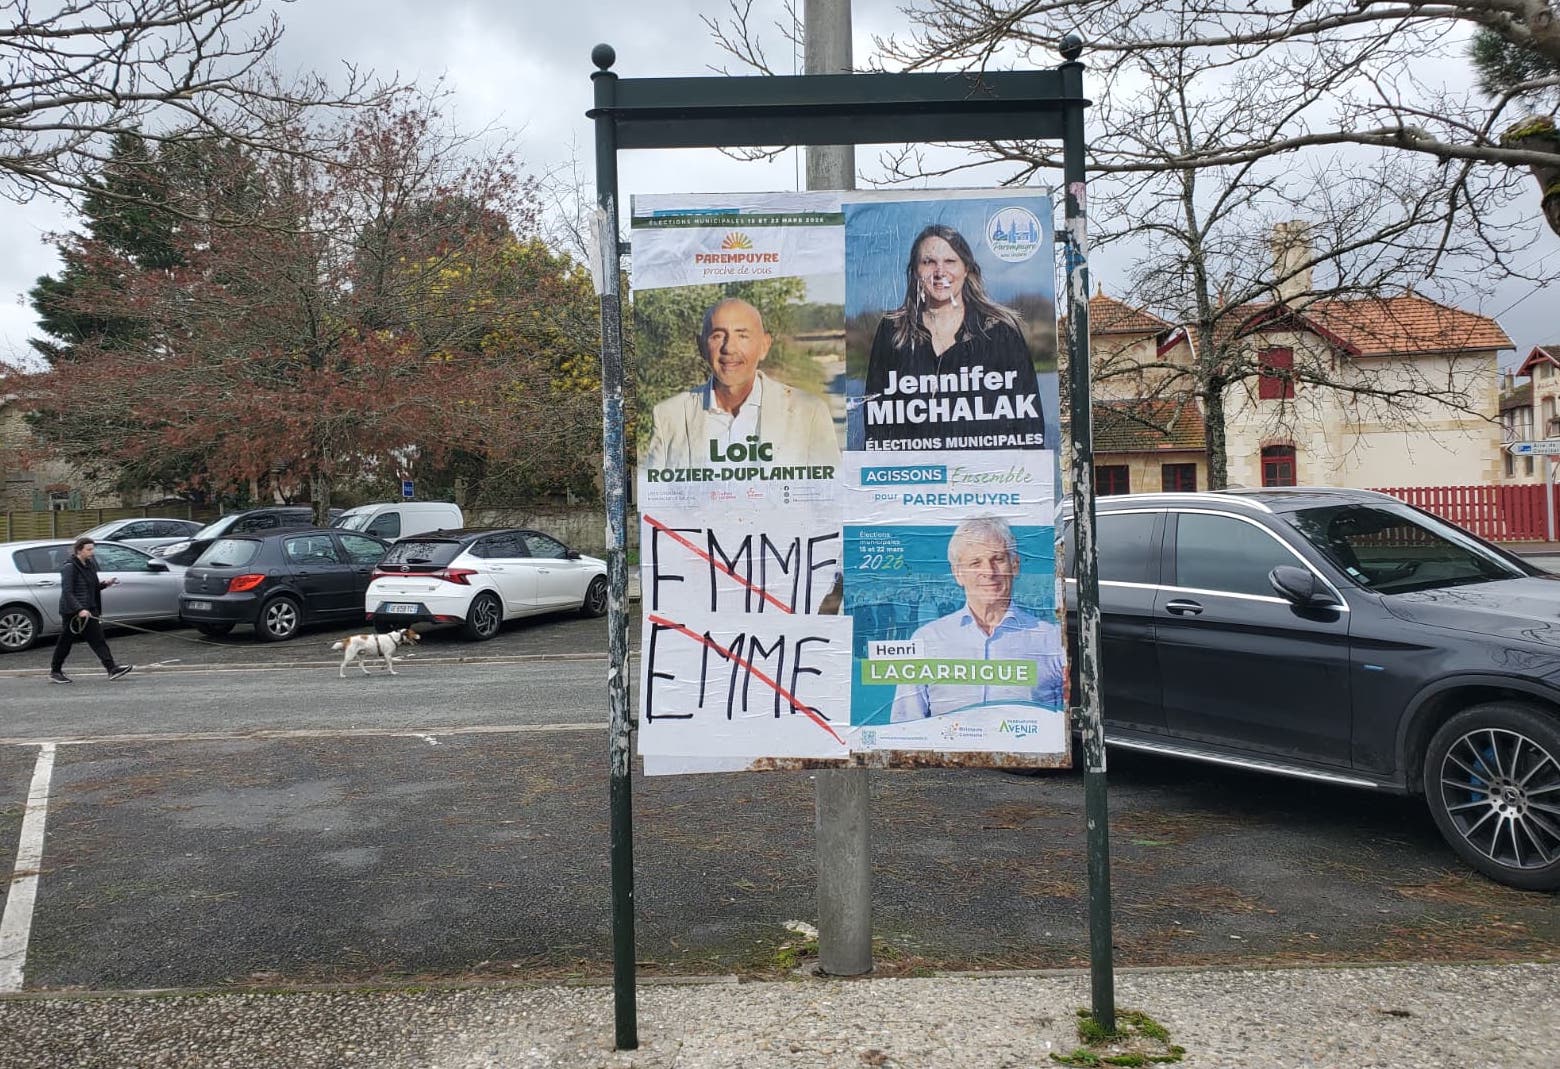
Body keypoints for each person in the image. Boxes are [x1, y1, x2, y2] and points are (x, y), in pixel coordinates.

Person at [862, 224, 1044, 450]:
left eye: (950, 261)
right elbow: (876, 424)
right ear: (915, 271)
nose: (940, 272)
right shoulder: (892, 330)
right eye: (928, 262)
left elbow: (1030, 426)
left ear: (966, 269)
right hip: (915, 470)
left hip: (987, 470)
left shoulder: (1000, 330)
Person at [890, 516, 1062, 722]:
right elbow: (905, 725)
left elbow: (1062, 726)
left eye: (997, 559)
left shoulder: (1051, 640)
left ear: (1015, 565)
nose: (988, 572)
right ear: (958, 573)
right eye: (975, 563)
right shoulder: (926, 640)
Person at [643, 297, 841, 469]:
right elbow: (654, 495)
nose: (729, 348)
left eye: (742, 336)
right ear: (702, 346)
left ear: (764, 346)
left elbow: (830, 493)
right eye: (717, 336)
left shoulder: (808, 413)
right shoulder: (669, 416)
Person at [50, 537, 133, 684]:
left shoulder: (89, 565)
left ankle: (111, 668)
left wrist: (105, 584)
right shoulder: (69, 567)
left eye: (92, 549)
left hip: (90, 609)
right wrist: (79, 609)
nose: (92, 552)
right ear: (79, 550)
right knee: (65, 642)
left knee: (98, 640)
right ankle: (55, 671)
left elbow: (91, 587)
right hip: (73, 613)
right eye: (88, 549)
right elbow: (68, 592)